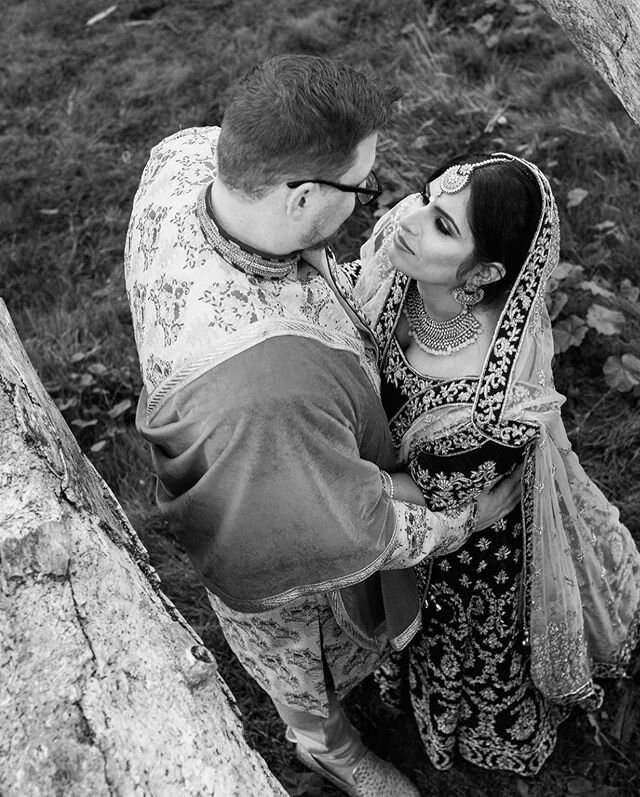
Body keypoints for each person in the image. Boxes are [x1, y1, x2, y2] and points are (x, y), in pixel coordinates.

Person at [124, 56, 520, 796]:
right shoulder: (276, 395)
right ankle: (325, 747)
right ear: (302, 195)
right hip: (276, 549)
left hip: (248, 442)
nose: (379, 203)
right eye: (363, 186)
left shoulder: (182, 158)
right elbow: (354, 527)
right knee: (305, 669)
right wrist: (465, 518)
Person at [327, 152, 640, 775]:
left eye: (443, 226)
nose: (406, 220)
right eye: (423, 197)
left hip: (466, 547)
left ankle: (477, 735)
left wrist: (322, 470)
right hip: (399, 496)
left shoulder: (488, 406)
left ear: (486, 272)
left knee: (458, 639)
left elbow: (428, 496)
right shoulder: (401, 279)